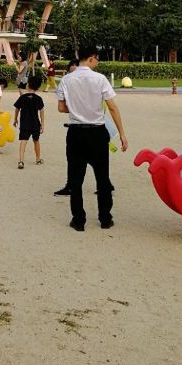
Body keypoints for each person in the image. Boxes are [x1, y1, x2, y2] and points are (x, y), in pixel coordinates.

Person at [56, 46, 128, 231]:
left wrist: (77, 108)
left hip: (75, 132)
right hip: (97, 131)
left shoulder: (66, 79)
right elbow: (112, 107)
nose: (97, 63)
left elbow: (61, 108)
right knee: (102, 177)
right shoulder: (100, 79)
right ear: (92, 58)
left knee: (76, 179)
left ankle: (78, 220)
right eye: (97, 59)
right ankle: (105, 218)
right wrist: (122, 133)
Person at [54, 60, 79, 196]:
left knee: (75, 158)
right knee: (94, 159)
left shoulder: (65, 82)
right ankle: (105, 185)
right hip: (94, 126)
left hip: (78, 127)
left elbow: (61, 107)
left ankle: (71, 186)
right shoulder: (95, 80)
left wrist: (75, 109)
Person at [14, 73, 45, 169]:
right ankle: (38, 159)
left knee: (23, 141)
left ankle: (21, 161)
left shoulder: (22, 97)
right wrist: (42, 124)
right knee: (36, 141)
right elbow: (42, 111)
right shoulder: (38, 99)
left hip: (24, 124)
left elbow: (17, 109)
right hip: (35, 123)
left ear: (28, 85)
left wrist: (15, 119)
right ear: (38, 87)